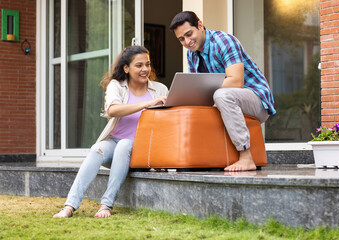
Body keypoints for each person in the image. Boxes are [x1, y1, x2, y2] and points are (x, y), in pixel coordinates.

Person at [53, 46, 168, 218]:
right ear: (126, 68)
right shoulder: (116, 86)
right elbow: (113, 110)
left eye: (147, 64)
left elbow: (168, 121)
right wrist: (147, 104)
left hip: (140, 148)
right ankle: (69, 205)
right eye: (139, 65)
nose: (144, 69)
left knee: (124, 145)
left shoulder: (160, 90)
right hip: (114, 142)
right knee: (96, 149)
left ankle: (106, 205)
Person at [169, 11, 276, 171]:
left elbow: (236, 81)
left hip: (257, 99)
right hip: (226, 101)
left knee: (222, 95)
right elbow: (198, 89)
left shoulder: (224, 41)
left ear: (200, 25)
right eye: (181, 39)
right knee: (188, 106)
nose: (187, 41)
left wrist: (201, 92)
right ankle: (200, 158)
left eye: (189, 34)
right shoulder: (191, 54)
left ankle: (246, 157)